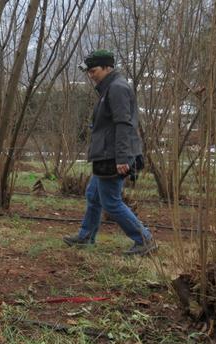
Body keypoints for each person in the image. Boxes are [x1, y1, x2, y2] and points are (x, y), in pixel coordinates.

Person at [63, 50, 157, 256]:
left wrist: (122, 158)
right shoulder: (108, 89)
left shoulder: (117, 88)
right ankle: (86, 236)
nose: (90, 75)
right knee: (93, 195)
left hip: (114, 156)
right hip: (107, 155)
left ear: (107, 67)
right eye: (88, 71)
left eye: (94, 70)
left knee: (111, 202)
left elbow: (124, 124)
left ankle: (144, 240)